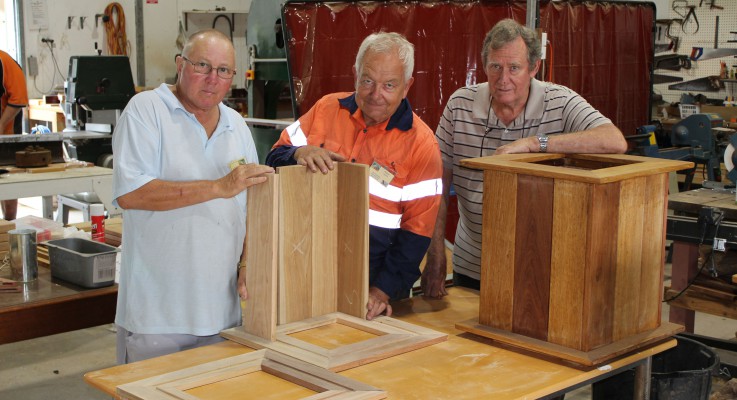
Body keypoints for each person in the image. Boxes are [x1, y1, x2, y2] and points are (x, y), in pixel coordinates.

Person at [421, 19, 628, 298]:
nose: (503, 79)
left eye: (514, 68)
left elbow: (614, 141)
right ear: (484, 66)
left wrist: (535, 144)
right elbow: (437, 185)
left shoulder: (560, 101)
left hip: (538, 270)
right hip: (472, 266)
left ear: (534, 68)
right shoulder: (460, 105)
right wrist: (435, 255)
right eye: (495, 66)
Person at [112, 29, 274, 364]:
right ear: (180, 65)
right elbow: (130, 193)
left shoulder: (236, 125)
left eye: (224, 70)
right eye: (202, 66)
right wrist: (217, 187)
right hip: (157, 317)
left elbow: (252, 207)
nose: (213, 79)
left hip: (223, 315)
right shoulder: (146, 110)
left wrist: (248, 261)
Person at [266, 32, 443, 320]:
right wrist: (298, 153)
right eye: (368, 81)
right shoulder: (325, 109)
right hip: (305, 267)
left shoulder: (422, 146)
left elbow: (417, 234)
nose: (376, 94)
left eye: (389, 85)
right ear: (355, 74)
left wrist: (381, 291)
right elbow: (273, 158)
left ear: (407, 86)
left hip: (372, 287)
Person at [0, 49, 29, 221]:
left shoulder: (4, 61)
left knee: (8, 180)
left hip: (7, 135)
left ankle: (9, 223)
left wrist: (1, 124)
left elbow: (19, 99)